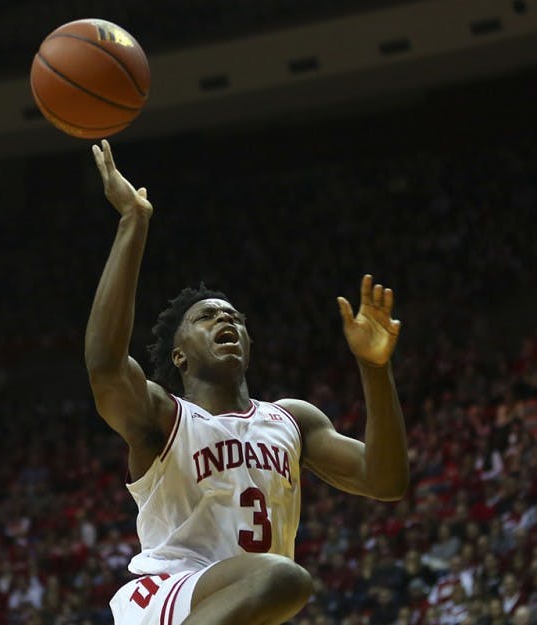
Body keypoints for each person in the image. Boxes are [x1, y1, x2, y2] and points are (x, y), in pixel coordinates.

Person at [84, 140, 410, 625]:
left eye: (235, 317)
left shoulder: (292, 419)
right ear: (179, 355)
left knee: (281, 580)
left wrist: (375, 370)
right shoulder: (164, 417)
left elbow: (386, 480)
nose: (226, 321)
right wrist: (134, 221)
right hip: (171, 597)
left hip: (241, 610)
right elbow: (105, 367)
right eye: (208, 317)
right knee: (286, 577)